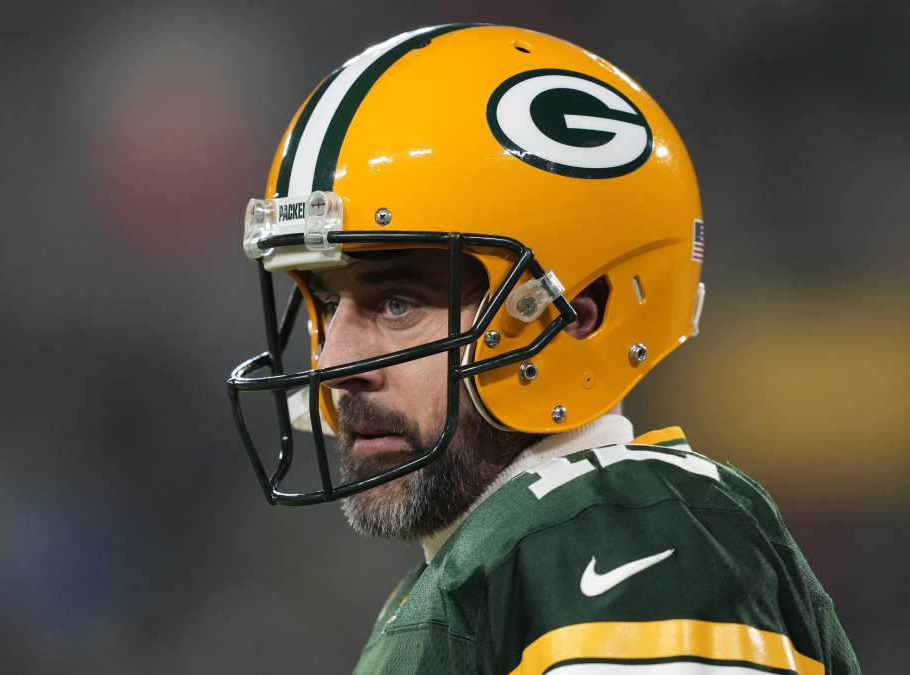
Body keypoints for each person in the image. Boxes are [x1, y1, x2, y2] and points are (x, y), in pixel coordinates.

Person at [227, 24, 860, 674]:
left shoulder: (624, 535)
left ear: (577, 315)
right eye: (329, 304)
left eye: (397, 303)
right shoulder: (482, 568)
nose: (334, 364)